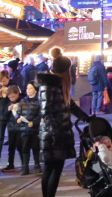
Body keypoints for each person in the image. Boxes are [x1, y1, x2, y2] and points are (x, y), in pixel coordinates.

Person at [38, 56, 90, 197]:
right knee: (52, 169)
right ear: (64, 70)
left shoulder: (58, 84)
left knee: (53, 168)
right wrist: (56, 133)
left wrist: (86, 117)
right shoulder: (49, 85)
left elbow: (70, 105)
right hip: (53, 134)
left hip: (56, 133)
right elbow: (46, 112)